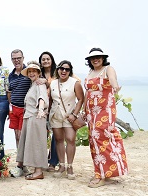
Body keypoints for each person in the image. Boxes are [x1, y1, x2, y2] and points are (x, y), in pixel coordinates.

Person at [84, 48, 128, 187]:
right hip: (91, 111)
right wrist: (84, 110)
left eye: (98, 57)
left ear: (103, 58)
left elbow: (113, 81)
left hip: (105, 109)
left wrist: (115, 87)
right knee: (94, 140)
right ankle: (102, 171)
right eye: (92, 58)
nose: (95, 59)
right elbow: (87, 92)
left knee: (102, 137)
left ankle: (102, 175)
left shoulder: (108, 69)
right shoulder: (90, 72)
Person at [49, 60, 84, 180]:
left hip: (69, 116)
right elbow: (51, 100)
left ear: (70, 71)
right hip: (56, 115)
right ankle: (62, 165)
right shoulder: (53, 83)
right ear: (58, 69)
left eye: (67, 69)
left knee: (70, 139)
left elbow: (80, 99)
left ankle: (70, 166)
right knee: (59, 140)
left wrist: (74, 114)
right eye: (61, 68)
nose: (64, 71)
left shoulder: (75, 83)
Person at [16, 62, 49, 181]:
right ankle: (36, 170)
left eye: (34, 71)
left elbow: (42, 97)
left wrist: (40, 109)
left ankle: (38, 171)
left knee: (36, 143)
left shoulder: (40, 84)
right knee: (32, 143)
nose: (31, 73)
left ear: (38, 73)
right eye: (29, 71)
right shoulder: (33, 84)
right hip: (30, 117)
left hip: (36, 116)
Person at [8, 50, 32, 177]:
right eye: (14, 58)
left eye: (18, 58)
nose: (16, 60)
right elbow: (9, 92)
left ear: (23, 58)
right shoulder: (11, 75)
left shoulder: (29, 72)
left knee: (23, 137)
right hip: (14, 109)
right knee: (17, 137)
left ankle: (21, 164)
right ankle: (22, 164)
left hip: (25, 109)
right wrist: (10, 107)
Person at [40, 51, 59, 171]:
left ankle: (53, 162)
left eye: (48, 59)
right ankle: (41, 161)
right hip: (42, 109)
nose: (46, 61)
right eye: (43, 59)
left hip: (55, 108)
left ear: (52, 60)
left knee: (56, 136)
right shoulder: (38, 74)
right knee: (42, 135)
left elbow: (74, 80)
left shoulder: (58, 73)